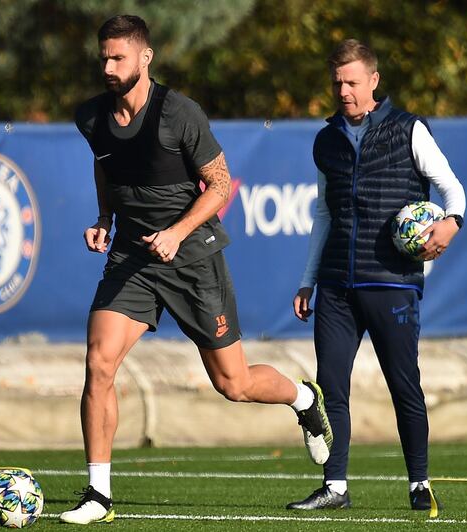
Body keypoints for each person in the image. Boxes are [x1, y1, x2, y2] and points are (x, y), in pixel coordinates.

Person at [60, 14, 332, 525]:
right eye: (103, 58)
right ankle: (98, 494)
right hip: (133, 258)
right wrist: (104, 217)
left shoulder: (179, 113)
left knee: (233, 384)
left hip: (192, 257)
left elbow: (222, 185)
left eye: (119, 57)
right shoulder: (91, 117)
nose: (109, 67)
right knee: (99, 363)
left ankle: (302, 398)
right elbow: (105, 161)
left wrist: (177, 233)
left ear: (145, 58)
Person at [286, 39, 466, 511]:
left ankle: (419, 485)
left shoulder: (410, 130)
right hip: (337, 286)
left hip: (393, 282)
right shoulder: (325, 139)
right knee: (331, 388)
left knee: (404, 385)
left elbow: (453, 189)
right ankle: (336, 488)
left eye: (351, 81)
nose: (343, 90)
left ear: (373, 80)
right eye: (337, 82)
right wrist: (308, 279)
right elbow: (323, 214)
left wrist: (452, 223)